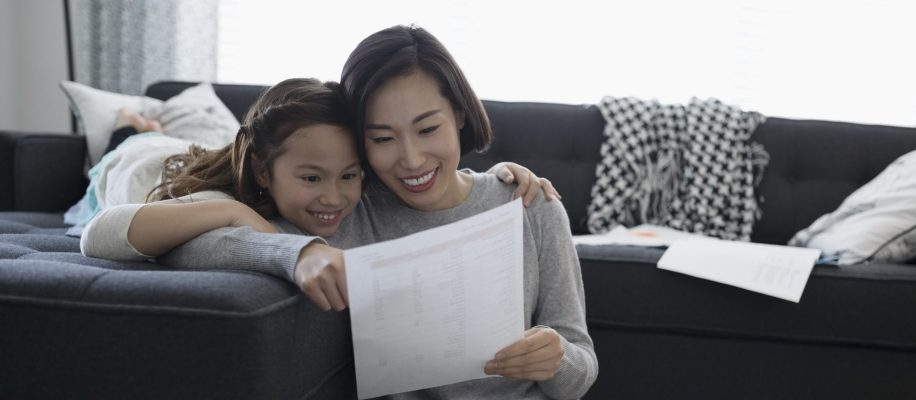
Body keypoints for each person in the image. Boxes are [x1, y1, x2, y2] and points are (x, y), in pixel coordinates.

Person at [81, 78, 558, 297]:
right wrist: (237, 215)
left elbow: (435, 186)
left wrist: (496, 176)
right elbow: (98, 236)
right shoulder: (225, 200)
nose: (334, 197)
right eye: (312, 178)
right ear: (266, 176)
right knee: (134, 140)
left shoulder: (343, 184)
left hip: (232, 153)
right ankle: (129, 125)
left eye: (350, 175)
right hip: (139, 168)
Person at [333, 25, 597, 398]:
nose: (411, 159)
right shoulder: (350, 218)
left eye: (427, 129)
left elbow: (579, 373)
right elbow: (229, 238)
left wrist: (559, 358)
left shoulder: (529, 204)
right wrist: (301, 254)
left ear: (458, 114)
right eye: (383, 138)